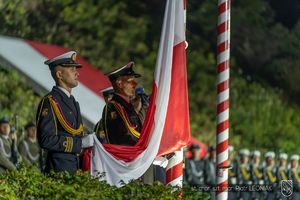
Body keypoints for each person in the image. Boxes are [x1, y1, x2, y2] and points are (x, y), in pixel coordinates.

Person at [36, 51, 94, 174]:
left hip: (75, 166)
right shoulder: (50, 101)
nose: (77, 73)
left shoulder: (73, 101)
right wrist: (80, 143)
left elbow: (75, 134)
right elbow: (46, 140)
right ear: (59, 74)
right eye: (72, 69)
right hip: (58, 170)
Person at [102, 61, 142, 146]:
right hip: (124, 156)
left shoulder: (128, 105)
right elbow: (120, 139)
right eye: (130, 81)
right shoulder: (113, 107)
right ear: (119, 83)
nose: (135, 84)